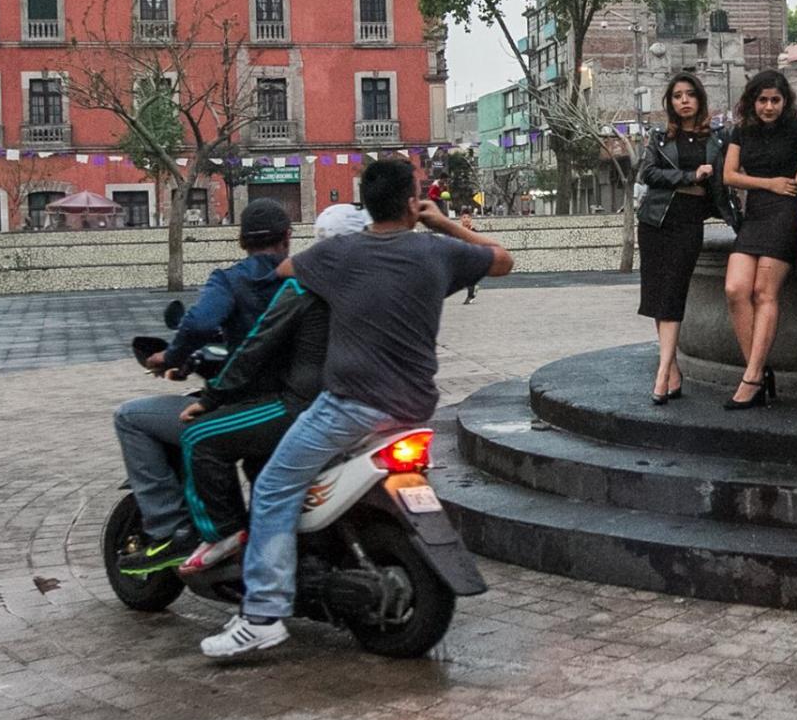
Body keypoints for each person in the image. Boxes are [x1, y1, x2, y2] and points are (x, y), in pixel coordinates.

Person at [200, 157, 512, 658]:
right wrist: (440, 221)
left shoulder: (340, 254)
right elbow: (502, 259)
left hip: (350, 407)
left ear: (365, 204)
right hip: (414, 407)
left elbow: (281, 269)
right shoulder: (436, 253)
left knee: (275, 486)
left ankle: (261, 614)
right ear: (414, 201)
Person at [171, 204, 370, 574]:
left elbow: (256, 346)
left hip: (305, 405)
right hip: (375, 404)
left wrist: (211, 398)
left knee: (199, 438)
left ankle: (225, 534)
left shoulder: (304, 284)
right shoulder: (378, 284)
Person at [113, 199, 293, 575]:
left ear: (241, 241)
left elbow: (198, 323)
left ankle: (171, 529)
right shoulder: (299, 280)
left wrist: (170, 357)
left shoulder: (230, 280)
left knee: (130, 417)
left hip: (246, 406)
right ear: (288, 237)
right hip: (298, 400)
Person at [636, 73, 738, 405]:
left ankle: (662, 371)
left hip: (688, 223)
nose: (684, 100)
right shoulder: (659, 137)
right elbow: (648, 174)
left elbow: (723, 185)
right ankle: (671, 370)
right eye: (677, 95)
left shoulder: (719, 138)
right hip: (656, 221)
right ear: (670, 102)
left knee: (674, 292)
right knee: (657, 296)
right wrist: (690, 176)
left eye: (690, 94)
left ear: (700, 99)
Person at [721, 70, 797, 410]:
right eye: (762, 100)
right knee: (735, 289)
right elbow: (729, 175)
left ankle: (752, 376)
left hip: (787, 213)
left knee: (763, 292)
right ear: (752, 102)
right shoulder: (742, 131)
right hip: (755, 214)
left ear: (785, 102)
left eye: (775, 100)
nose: (769, 107)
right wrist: (769, 183)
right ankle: (758, 370)